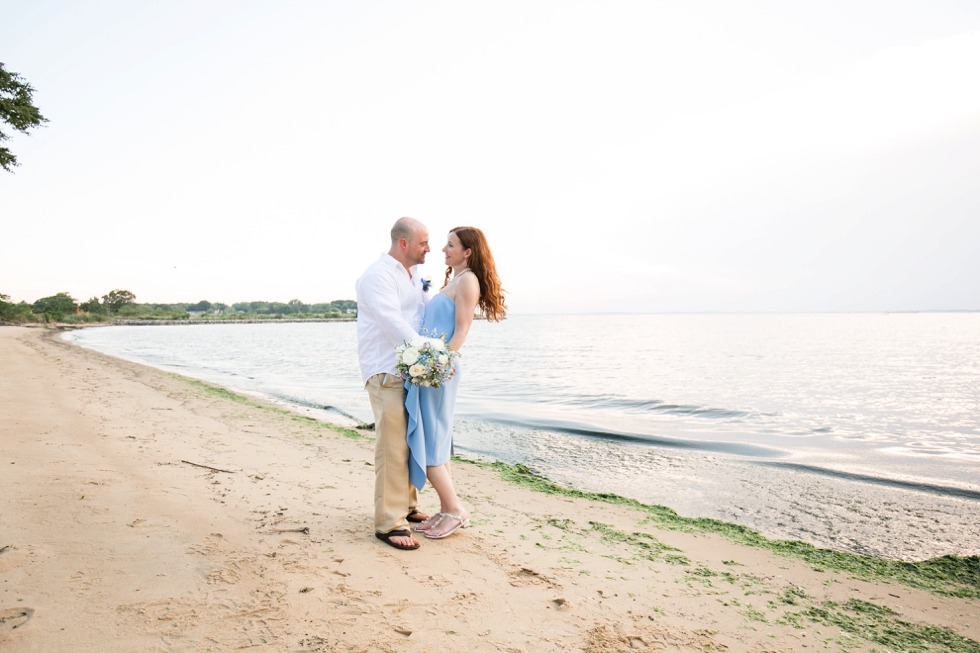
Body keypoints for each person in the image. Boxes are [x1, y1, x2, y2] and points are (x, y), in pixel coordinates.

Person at [407, 226, 506, 539]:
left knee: (431, 439)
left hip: (439, 370)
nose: (443, 250)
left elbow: (461, 331)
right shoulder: (455, 280)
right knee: (436, 438)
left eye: (450, 245)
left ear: (468, 251)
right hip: (431, 366)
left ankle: (456, 510)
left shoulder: (468, 281)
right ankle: (446, 507)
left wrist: (435, 364)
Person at [355, 217, 433, 551]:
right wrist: (431, 355)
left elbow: (420, 316)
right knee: (392, 445)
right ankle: (389, 522)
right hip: (386, 369)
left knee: (412, 438)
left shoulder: (413, 275)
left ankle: (407, 505)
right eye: (423, 243)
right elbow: (393, 322)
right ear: (403, 243)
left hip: (411, 369)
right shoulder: (377, 276)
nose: (428, 249)